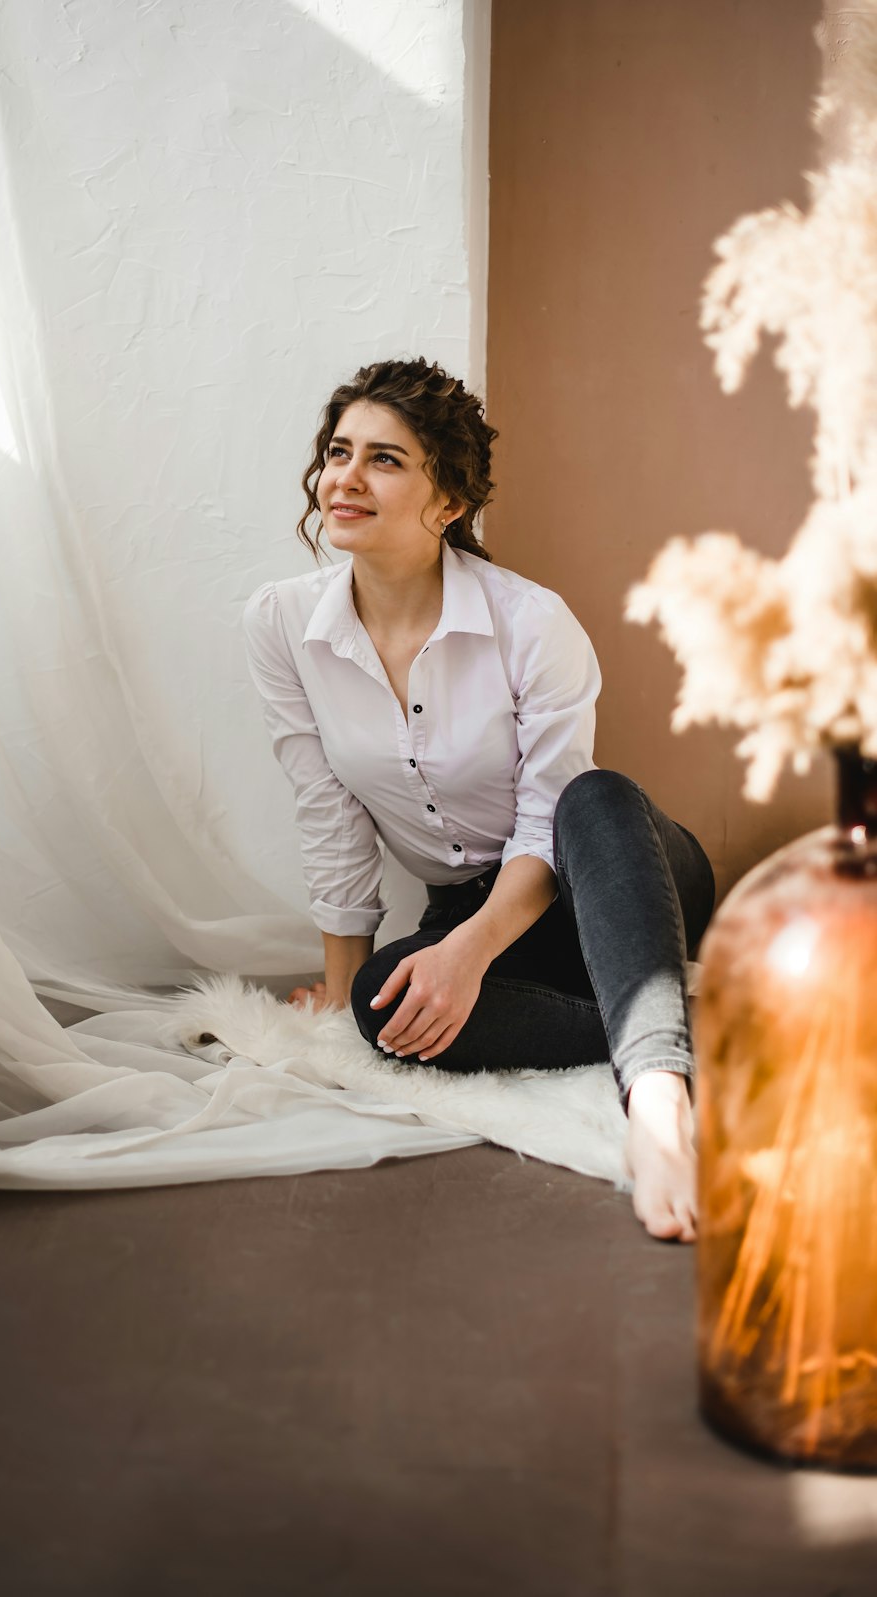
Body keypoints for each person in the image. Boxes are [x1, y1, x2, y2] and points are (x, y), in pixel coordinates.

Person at [242, 356, 716, 1243]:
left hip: (614, 875)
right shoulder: (282, 625)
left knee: (592, 794)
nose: (345, 477)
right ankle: (679, 1020)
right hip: (482, 913)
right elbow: (327, 805)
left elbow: (547, 815)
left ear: (449, 501)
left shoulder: (531, 622)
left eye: (385, 459)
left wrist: (469, 951)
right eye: (338, 451)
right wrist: (348, 994)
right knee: (389, 1003)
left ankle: (659, 1106)